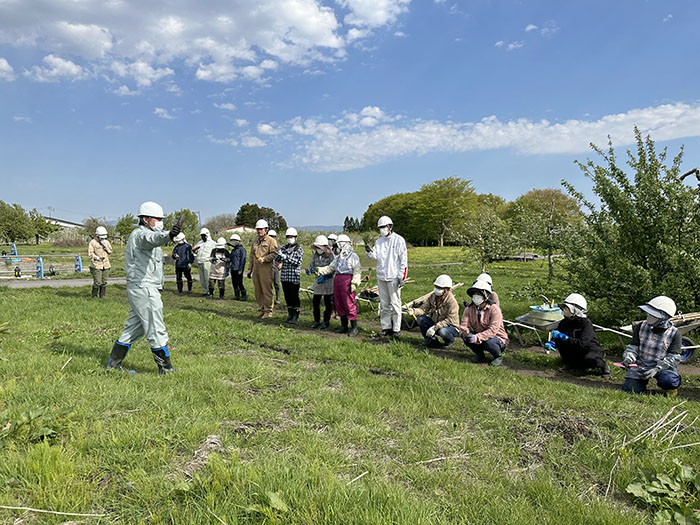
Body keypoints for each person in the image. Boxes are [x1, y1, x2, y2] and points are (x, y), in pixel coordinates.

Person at [106, 201, 180, 375]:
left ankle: (113, 365)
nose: (160, 222)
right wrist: (169, 235)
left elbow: (155, 254)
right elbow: (153, 239)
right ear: (145, 219)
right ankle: (166, 369)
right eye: (157, 219)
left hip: (141, 287)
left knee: (134, 327)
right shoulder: (141, 235)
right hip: (144, 288)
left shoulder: (147, 236)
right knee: (156, 327)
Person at [621, 296, 682, 396]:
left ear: (664, 318)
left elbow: (673, 358)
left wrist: (657, 369)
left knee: (669, 380)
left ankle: (671, 389)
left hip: (663, 367)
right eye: (649, 313)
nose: (648, 316)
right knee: (631, 390)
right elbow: (633, 347)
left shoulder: (675, 334)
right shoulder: (640, 326)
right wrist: (629, 358)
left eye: (653, 315)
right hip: (641, 365)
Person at [546, 293, 610, 378]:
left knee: (589, 360)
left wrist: (564, 337)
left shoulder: (585, 323)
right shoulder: (564, 322)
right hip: (574, 350)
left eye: (566, 308)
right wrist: (552, 343)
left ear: (575, 310)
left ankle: (603, 366)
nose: (563, 310)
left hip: (589, 350)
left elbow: (582, 343)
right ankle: (570, 364)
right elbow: (558, 335)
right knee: (561, 341)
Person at [365, 216, 408, 340]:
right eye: (380, 228)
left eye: (383, 227)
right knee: (384, 304)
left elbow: (403, 260)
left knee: (395, 303)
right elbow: (375, 257)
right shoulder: (379, 241)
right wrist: (368, 251)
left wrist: (402, 277)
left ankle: (396, 329)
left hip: (394, 276)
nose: (382, 230)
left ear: (390, 227)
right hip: (382, 276)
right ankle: (386, 327)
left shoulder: (399, 240)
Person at [316, 234, 361, 336]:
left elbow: (357, 270)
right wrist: (319, 270)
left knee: (349, 303)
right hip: (338, 280)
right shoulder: (338, 257)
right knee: (339, 303)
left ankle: (354, 327)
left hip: (347, 280)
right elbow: (330, 268)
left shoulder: (353, 256)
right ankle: (343, 325)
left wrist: (354, 283)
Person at [459, 279, 509, 366]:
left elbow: (493, 330)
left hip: (496, 338)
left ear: (485, 296)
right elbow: (464, 324)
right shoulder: (469, 309)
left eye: (479, 294)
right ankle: (479, 354)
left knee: (488, 343)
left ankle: (497, 356)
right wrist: (465, 332)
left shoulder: (494, 309)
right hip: (478, 335)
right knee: (465, 337)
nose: (476, 297)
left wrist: (477, 337)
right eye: (474, 294)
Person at [406, 274, 460, 348]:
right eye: (436, 287)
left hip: (450, 326)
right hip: (436, 323)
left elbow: (450, 319)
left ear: (447, 290)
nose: (437, 289)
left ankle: (449, 341)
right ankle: (431, 341)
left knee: (442, 331)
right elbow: (423, 309)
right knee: (421, 319)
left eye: (439, 288)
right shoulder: (433, 297)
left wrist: (435, 327)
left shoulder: (452, 302)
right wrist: (413, 311)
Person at [247, 219, 279, 318]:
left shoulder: (271, 241)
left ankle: (268, 311)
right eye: (258, 229)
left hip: (266, 268)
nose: (259, 231)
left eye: (261, 229)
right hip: (256, 269)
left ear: (266, 229)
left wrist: (264, 259)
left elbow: (274, 254)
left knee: (266, 290)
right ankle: (261, 309)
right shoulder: (255, 242)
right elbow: (251, 256)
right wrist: (250, 269)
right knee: (258, 290)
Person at [276, 227, 304, 324]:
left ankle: (296, 316)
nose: (289, 238)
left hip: (294, 277)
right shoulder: (283, 248)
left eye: (291, 237)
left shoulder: (299, 249)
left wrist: (285, 257)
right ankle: (290, 314)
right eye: (288, 237)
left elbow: (296, 262)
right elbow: (277, 260)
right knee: (287, 296)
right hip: (284, 277)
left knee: (294, 297)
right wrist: (278, 255)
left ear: (295, 237)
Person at [308, 235, 335, 329]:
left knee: (328, 303)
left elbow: (333, 269)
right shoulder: (315, 255)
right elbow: (312, 265)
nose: (318, 249)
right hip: (318, 283)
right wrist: (310, 270)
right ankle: (316, 321)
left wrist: (326, 276)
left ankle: (326, 322)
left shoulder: (331, 256)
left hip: (328, 282)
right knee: (316, 302)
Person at [88, 226, 113, 299]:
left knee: (104, 281)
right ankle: (94, 296)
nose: (103, 239)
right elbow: (90, 253)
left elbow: (110, 251)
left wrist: (106, 247)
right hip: (96, 265)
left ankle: (102, 296)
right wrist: (97, 257)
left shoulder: (107, 242)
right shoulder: (93, 242)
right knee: (98, 282)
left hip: (106, 264)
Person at [193, 227, 216, 296]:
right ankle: (205, 291)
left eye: (203, 235)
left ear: (207, 235)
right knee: (202, 278)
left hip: (207, 262)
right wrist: (194, 249)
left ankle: (210, 291)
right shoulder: (199, 242)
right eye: (201, 235)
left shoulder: (212, 243)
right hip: (200, 261)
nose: (202, 237)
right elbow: (195, 250)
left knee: (207, 278)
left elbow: (216, 252)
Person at [228, 233, 247, 301]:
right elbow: (230, 258)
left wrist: (241, 269)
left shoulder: (242, 249)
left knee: (240, 283)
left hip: (238, 269)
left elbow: (243, 260)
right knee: (234, 283)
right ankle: (237, 296)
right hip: (233, 268)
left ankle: (244, 296)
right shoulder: (233, 250)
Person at [268, 229, 282, 304]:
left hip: (276, 267)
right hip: (268, 267)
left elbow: (283, 256)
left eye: (273, 236)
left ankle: (278, 298)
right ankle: (269, 298)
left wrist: (281, 263)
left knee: (276, 283)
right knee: (268, 283)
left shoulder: (279, 247)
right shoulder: (266, 246)